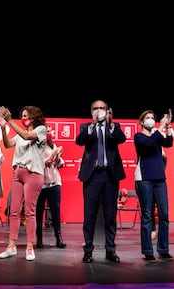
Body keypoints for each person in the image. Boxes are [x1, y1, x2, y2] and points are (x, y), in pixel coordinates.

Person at [75, 99, 126, 263]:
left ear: (108, 110)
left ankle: (110, 250)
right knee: (89, 215)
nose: (99, 111)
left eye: (102, 108)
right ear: (91, 112)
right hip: (92, 175)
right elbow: (80, 141)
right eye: (96, 108)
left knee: (110, 215)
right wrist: (91, 126)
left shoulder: (114, 126)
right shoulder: (85, 127)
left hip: (110, 175)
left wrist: (110, 124)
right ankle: (88, 250)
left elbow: (121, 139)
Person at [0, 106, 47, 261]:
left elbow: (26, 136)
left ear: (34, 116)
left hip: (33, 174)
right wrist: (4, 127)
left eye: (26, 116)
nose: (23, 118)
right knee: (14, 211)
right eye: (22, 116)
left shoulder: (41, 130)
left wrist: (10, 120)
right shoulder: (19, 134)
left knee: (30, 212)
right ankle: (11, 246)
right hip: (18, 173)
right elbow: (7, 144)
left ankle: (30, 248)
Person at [134, 109, 174, 262]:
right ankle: (148, 251)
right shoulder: (139, 137)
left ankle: (163, 249)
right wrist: (161, 125)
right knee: (147, 216)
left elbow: (169, 143)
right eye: (148, 118)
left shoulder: (158, 136)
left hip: (159, 179)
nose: (151, 120)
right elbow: (149, 144)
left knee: (164, 215)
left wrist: (168, 126)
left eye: (153, 118)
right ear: (141, 122)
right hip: (144, 179)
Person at [36, 124, 66, 249]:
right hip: (40, 184)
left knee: (56, 210)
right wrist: (48, 158)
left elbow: (61, 164)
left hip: (54, 183)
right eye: (45, 131)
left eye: (49, 131)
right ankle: (39, 238)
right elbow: (34, 164)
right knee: (38, 212)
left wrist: (57, 157)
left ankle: (58, 238)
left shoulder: (53, 146)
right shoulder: (36, 147)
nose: (48, 133)